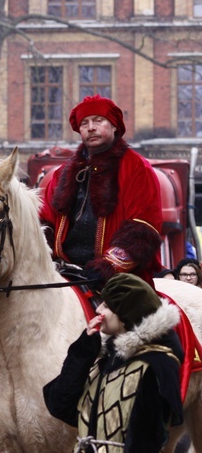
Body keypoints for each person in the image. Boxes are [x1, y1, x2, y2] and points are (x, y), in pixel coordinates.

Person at [43, 273, 183, 452]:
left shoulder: (154, 366)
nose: (98, 310)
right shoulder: (106, 358)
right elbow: (59, 405)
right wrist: (84, 350)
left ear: (126, 314)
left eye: (107, 306)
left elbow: (145, 442)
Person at [39, 95, 163, 287]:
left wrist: (108, 266)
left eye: (98, 120)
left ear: (114, 126)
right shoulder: (62, 173)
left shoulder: (137, 168)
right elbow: (45, 221)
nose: (91, 127)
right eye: (84, 123)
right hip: (64, 274)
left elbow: (143, 227)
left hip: (118, 279)